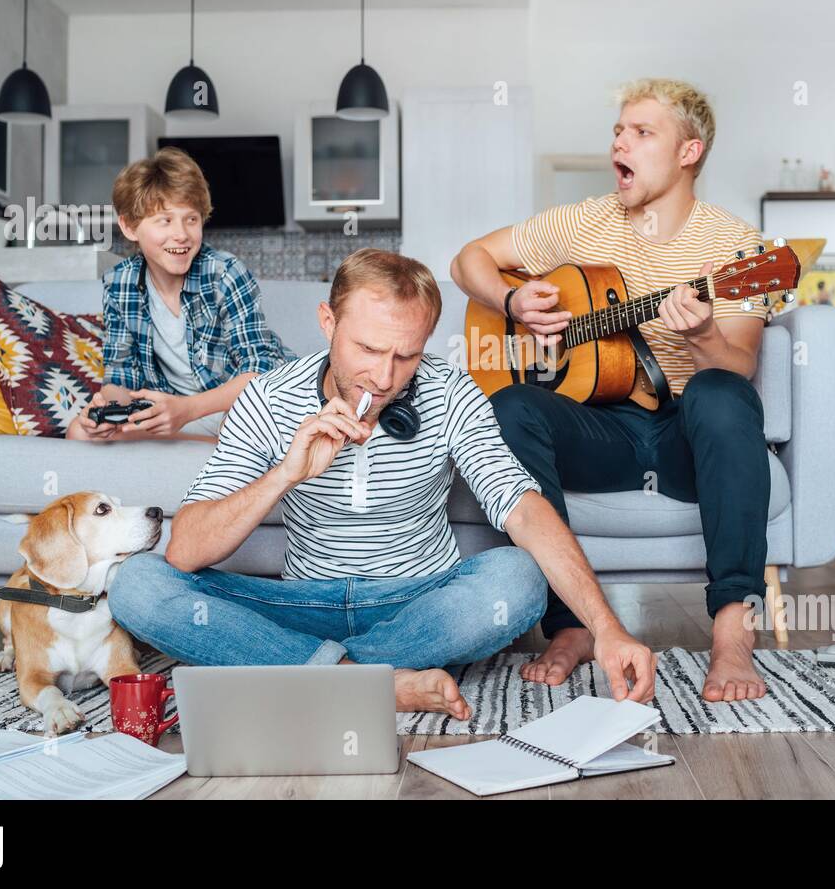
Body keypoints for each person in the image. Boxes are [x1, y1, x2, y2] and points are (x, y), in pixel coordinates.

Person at [108, 249, 656, 719]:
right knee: (137, 583)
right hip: (302, 600)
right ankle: (370, 681)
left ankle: (313, 673)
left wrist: (606, 626)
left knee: (519, 577)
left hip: (417, 604)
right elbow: (185, 551)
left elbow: (525, 509)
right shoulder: (269, 398)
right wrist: (286, 474)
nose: (386, 377)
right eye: (368, 350)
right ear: (328, 323)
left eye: (407, 355)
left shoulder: (449, 391)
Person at [450, 78, 773, 702]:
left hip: (686, 435)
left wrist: (704, 334)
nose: (620, 143)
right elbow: (469, 260)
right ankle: (569, 626)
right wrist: (511, 299)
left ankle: (733, 628)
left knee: (718, 391)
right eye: (618, 131)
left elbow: (741, 366)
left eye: (642, 132)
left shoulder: (739, 248)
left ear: (689, 152)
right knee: (511, 404)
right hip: (604, 430)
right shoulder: (585, 221)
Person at [68, 147, 291, 443]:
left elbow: (260, 370)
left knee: (242, 426)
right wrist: (106, 409)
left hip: (239, 405)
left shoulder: (224, 273)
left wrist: (187, 409)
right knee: (79, 434)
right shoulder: (119, 283)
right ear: (129, 226)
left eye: (191, 219)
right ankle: (210, 450)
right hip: (177, 411)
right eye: (165, 220)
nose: (182, 234)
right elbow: (121, 379)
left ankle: (217, 449)